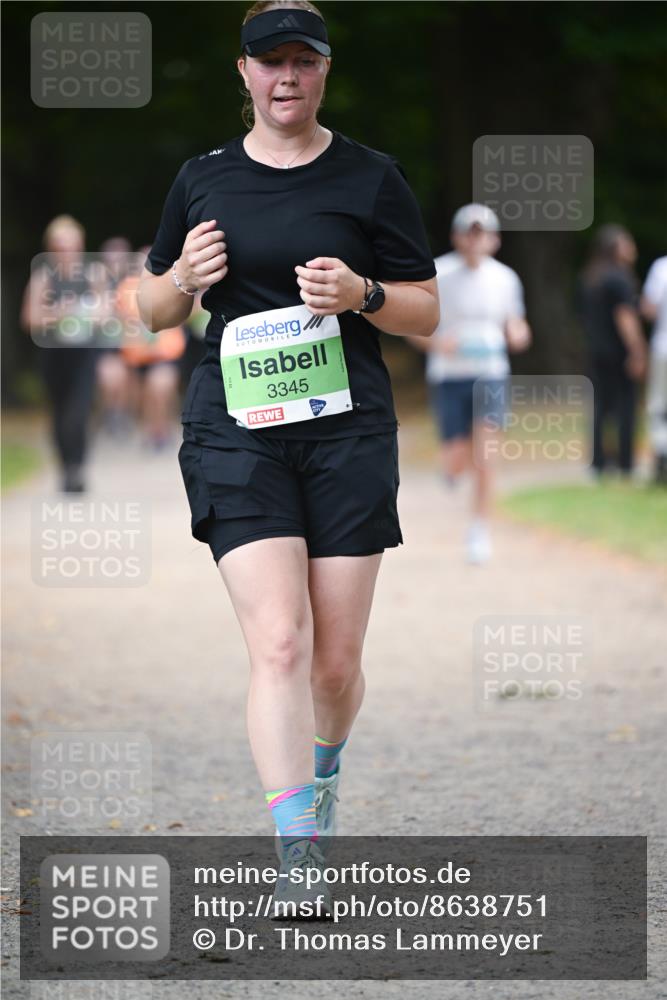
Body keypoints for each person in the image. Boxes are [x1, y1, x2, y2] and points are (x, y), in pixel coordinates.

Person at [137, 0, 438, 915]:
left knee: (333, 665)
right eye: (269, 62)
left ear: (323, 73)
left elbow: (425, 312)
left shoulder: (371, 178)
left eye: (302, 62)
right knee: (277, 641)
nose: (285, 78)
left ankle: (323, 769)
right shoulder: (203, 179)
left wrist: (363, 291)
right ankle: (296, 847)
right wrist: (182, 281)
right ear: (243, 72)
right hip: (235, 431)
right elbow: (148, 310)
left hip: (345, 432)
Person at [408, 204, 531, 564]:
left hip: (490, 372)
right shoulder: (439, 274)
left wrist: (518, 334)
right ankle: (450, 468)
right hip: (449, 375)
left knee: (487, 452)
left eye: (483, 233)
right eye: (469, 232)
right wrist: (438, 344)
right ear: (457, 236)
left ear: (494, 239)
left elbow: (516, 323)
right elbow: (414, 327)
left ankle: (479, 528)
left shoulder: (506, 278)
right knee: (457, 459)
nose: (476, 239)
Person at [21, 215, 102, 492]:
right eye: (61, 247)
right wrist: (58, 314)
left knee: (78, 413)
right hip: (53, 356)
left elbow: (107, 313)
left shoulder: (93, 274)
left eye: (72, 246)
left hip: (84, 354)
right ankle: (65, 466)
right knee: (59, 412)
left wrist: (87, 315)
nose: (67, 252)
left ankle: (78, 467)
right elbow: (30, 318)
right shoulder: (43, 277)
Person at [576, 224, 647, 478]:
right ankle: (626, 464)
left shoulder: (590, 277)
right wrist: (637, 350)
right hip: (618, 352)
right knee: (626, 406)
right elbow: (625, 317)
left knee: (599, 407)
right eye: (627, 243)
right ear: (615, 248)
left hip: (596, 350)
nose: (632, 248)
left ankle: (597, 463)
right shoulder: (620, 278)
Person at [118, 247, 186, 450]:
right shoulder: (126, 288)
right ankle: (150, 431)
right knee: (144, 398)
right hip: (137, 357)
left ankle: (162, 430)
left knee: (159, 388)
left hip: (165, 354)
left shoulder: (171, 283)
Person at [640, 255, 667, 484]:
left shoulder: (661, 267)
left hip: (663, 346)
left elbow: (649, 308)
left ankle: (661, 457)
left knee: (659, 404)